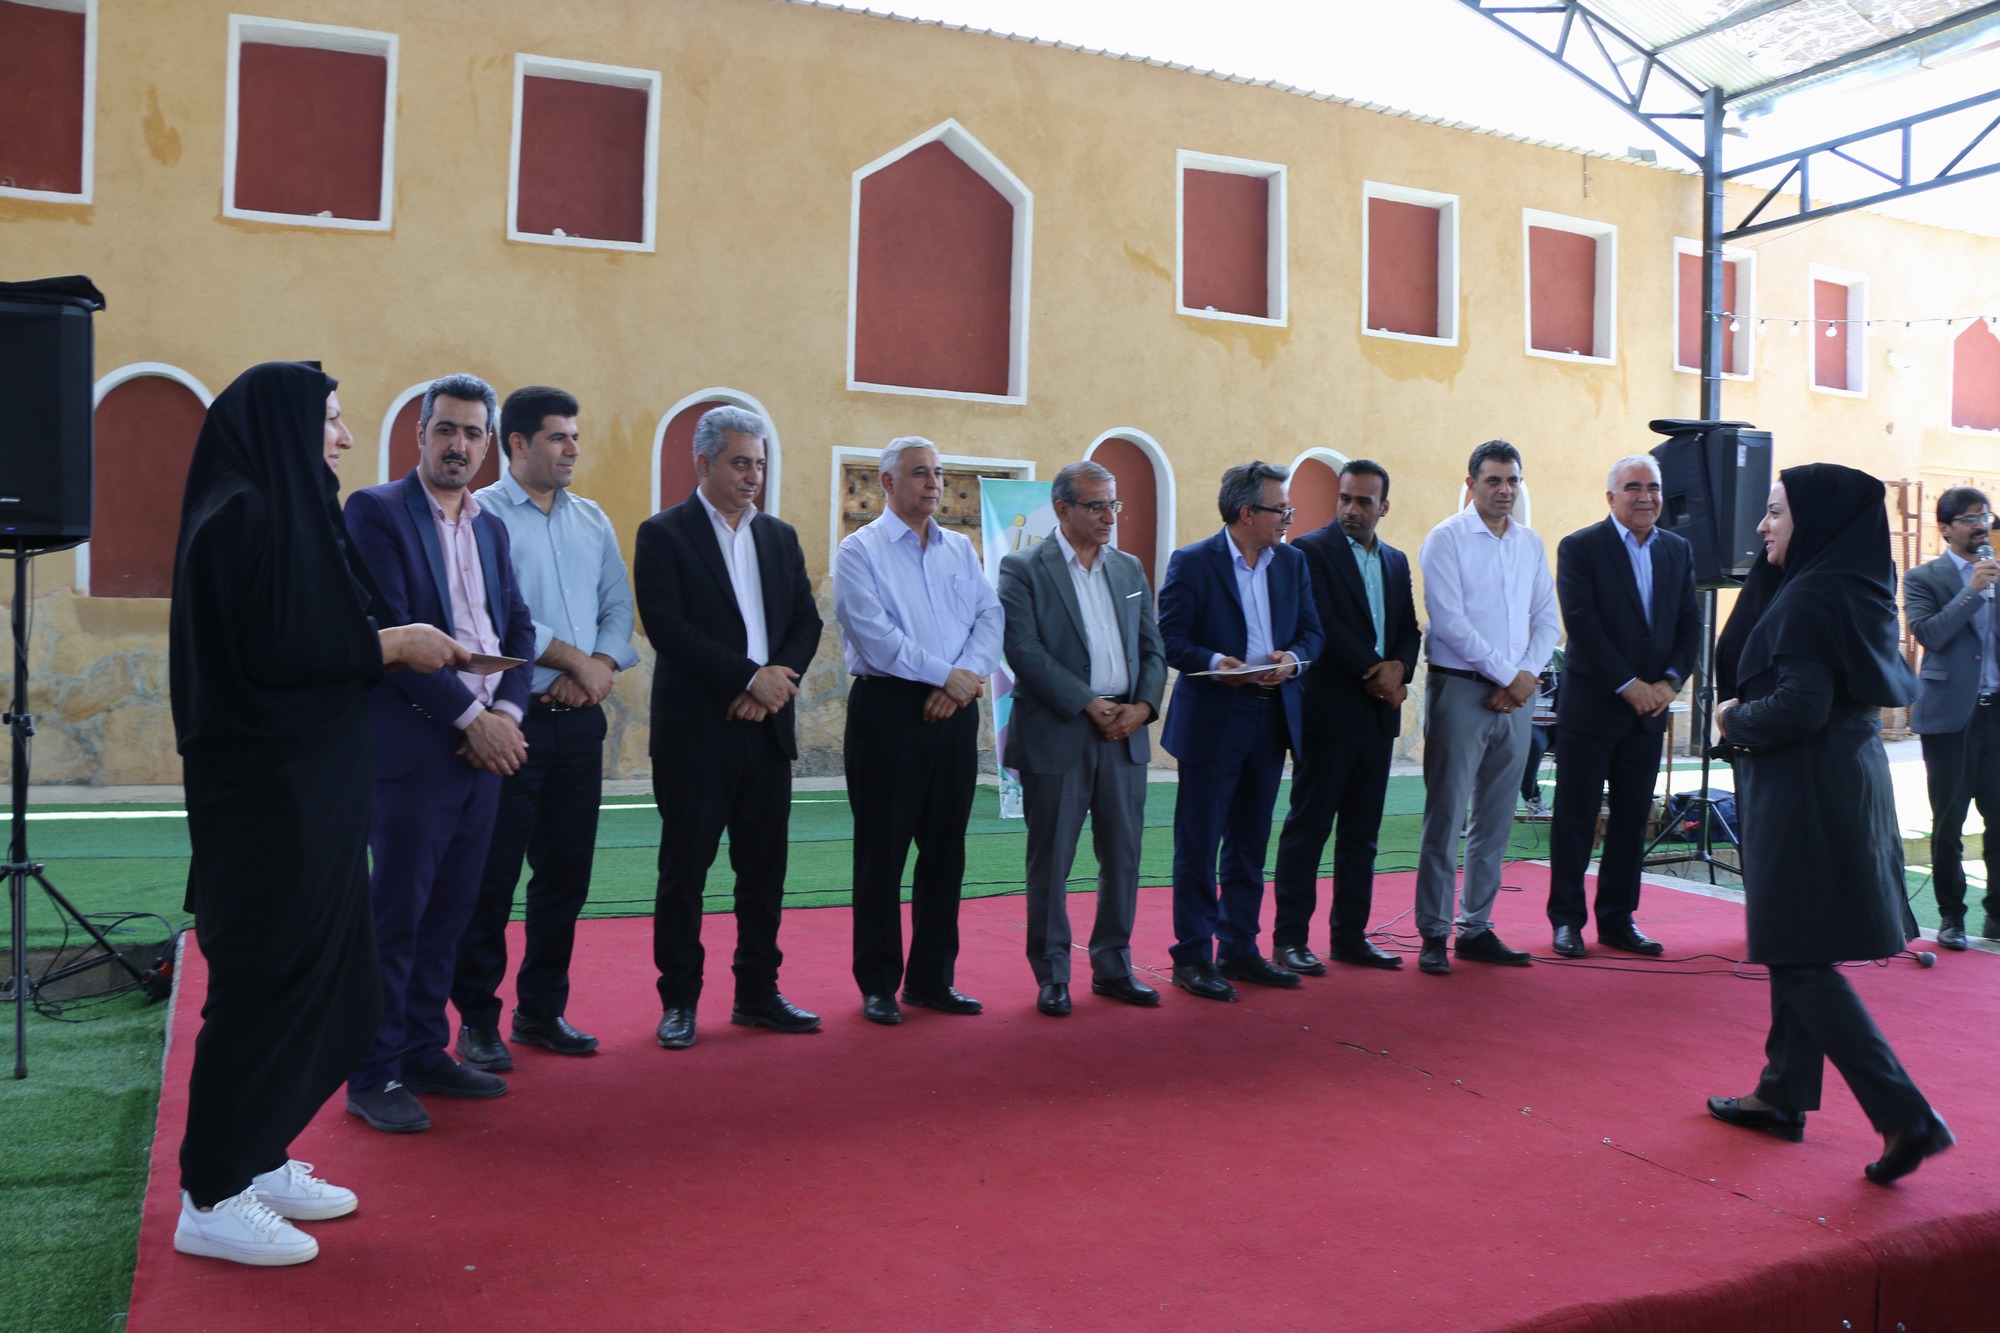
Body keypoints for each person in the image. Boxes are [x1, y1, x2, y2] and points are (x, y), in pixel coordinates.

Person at [170, 362, 466, 1265]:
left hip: (317, 794)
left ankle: (257, 1154)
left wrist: (397, 641)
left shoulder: (292, 513)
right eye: (330, 420)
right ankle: (210, 1193)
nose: (343, 437)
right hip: (265, 802)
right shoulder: (239, 516)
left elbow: (318, 626)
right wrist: (395, 644)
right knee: (262, 987)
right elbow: (275, 652)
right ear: (283, 426)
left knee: (327, 980)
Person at [1707, 464, 1953, 1185]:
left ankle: (1905, 1113)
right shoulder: (1851, 583)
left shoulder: (1814, 595)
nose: (1762, 526)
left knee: (1799, 957)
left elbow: (1799, 707)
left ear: (1812, 520)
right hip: (1836, 783)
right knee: (1799, 946)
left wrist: (1731, 718)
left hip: (1806, 792)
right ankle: (1783, 1091)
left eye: (1776, 511)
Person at [342, 373, 536, 1132]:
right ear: (420, 434)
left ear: (489, 444)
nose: (459, 445)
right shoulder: (376, 511)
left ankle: (424, 1049)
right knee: (396, 918)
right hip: (414, 750)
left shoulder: (491, 527)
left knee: (451, 914)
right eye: (446, 429)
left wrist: (507, 715)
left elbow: (517, 627)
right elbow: (391, 632)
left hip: (484, 753)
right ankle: (372, 1071)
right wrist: (472, 719)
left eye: (473, 432)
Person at [450, 387, 639, 1071]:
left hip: (580, 722)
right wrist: (575, 661)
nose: (572, 449)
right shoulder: (480, 516)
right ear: (518, 443)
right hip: (511, 723)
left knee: (565, 876)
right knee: (491, 878)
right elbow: (501, 616)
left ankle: (541, 1010)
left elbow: (617, 605)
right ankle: (477, 1019)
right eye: (558, 437)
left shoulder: (592, 519)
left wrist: (600, 667)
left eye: (574, 437)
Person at [636, 406, 823, 1048]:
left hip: (766, 732)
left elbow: (806, 622)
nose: (753, 476)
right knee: (684, 873)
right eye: (741, 463)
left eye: (760, 464)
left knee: (764, 873)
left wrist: (772, 685)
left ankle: (758, 993)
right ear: (704, 463)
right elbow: (667, 628)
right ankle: (679, 1001)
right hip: (696, 734)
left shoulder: (779, 536)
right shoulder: (664, 534)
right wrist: (748, 679)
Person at [834, 437, 1003, 1024]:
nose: (933, 483)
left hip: (955, 712)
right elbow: (876, 637)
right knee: (881, 854)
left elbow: (990, 616)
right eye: (919, 473)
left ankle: (932, 980)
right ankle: (879, 983)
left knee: (945, 852)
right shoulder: (859, 551)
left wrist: (962, 678)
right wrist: (945, 676)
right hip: (888, 712)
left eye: (937, 473)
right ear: (886, 482)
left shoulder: (959, 548)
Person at [998, 461, 1167, 1015]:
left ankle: (1114, 965)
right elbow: (1022, 650)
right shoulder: (1024, 567)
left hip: (1124, 731)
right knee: (1051, 860)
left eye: (1113, 505)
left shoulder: (1129, 568)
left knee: (1123, 855)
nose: (1109, 516)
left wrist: (1143, 707)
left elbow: (1152, 649)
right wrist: (1087, 702)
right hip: (1060, 729)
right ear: (1062, 508)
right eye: (1096, 506)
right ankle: (1052, 974)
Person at [1158, 461, 1323, 1000]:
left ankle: (1240, 947)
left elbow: (1312, 632)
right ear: (1247, 512)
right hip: (1214, 714)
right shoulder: (1192, 562)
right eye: (1281, 510)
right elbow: (1171, 638)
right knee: (1199, 841)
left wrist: (1293, 659)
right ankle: (1192, 956)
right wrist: (1214, 662)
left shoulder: (1291, 562)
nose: (1288, 520)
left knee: (1251, 839)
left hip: (1271, 714)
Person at [1545, 455, 1701, 958]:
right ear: (1611, 497)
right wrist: (1628, 684)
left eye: (1653, 487)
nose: (1645, 497)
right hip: (1592, 710)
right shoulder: (1580, 547)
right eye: (1633, 487)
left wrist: (1670, 683)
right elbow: (1582, 624)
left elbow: (1689, 625)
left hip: (1649, 713)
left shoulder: (1677, 549)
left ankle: (1617, 920)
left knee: (1633, 821)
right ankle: (1567, 921)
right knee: (1575, 819)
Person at [1413, 440, 1559, 975]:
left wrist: (1523, 679)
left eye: (1513, 480)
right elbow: (1449, 621)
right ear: (1471, 483)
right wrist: (1509, 676)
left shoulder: (1529, 543)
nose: (1505, 490)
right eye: (1494, 480)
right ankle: (1434, 931)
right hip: (1460, 690)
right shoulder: (1446, 539)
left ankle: (1476, 927)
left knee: (1496, 817)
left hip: (1516, 696)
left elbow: (1548, 620)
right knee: (1447, 815)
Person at [1270, 460, 1419, 974]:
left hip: (1378, 717)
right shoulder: (1310, 551)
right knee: (1308, 830)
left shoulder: (1395, 561)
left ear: (1384, 507)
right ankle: (1290, 939)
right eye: (1345, 498)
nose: (1351, 509)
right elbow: (1323, 624)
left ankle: (1350, 937)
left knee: (1362, 835)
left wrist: (1401, 669)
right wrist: (1377, 671)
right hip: (1329, 714)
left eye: (1363, 501)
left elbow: (1408, 629)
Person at [1903, 487, 1999, 950]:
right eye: (1970, 518)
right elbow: (1929, 634)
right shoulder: (1924, 578)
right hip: (1950, 719)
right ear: (1944, 527)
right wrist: (1972, 591)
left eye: (1986, 516)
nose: (1982, 525)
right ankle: (1951, 918)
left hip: (1997, 714)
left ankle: (1996, 917)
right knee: (1948, 824)